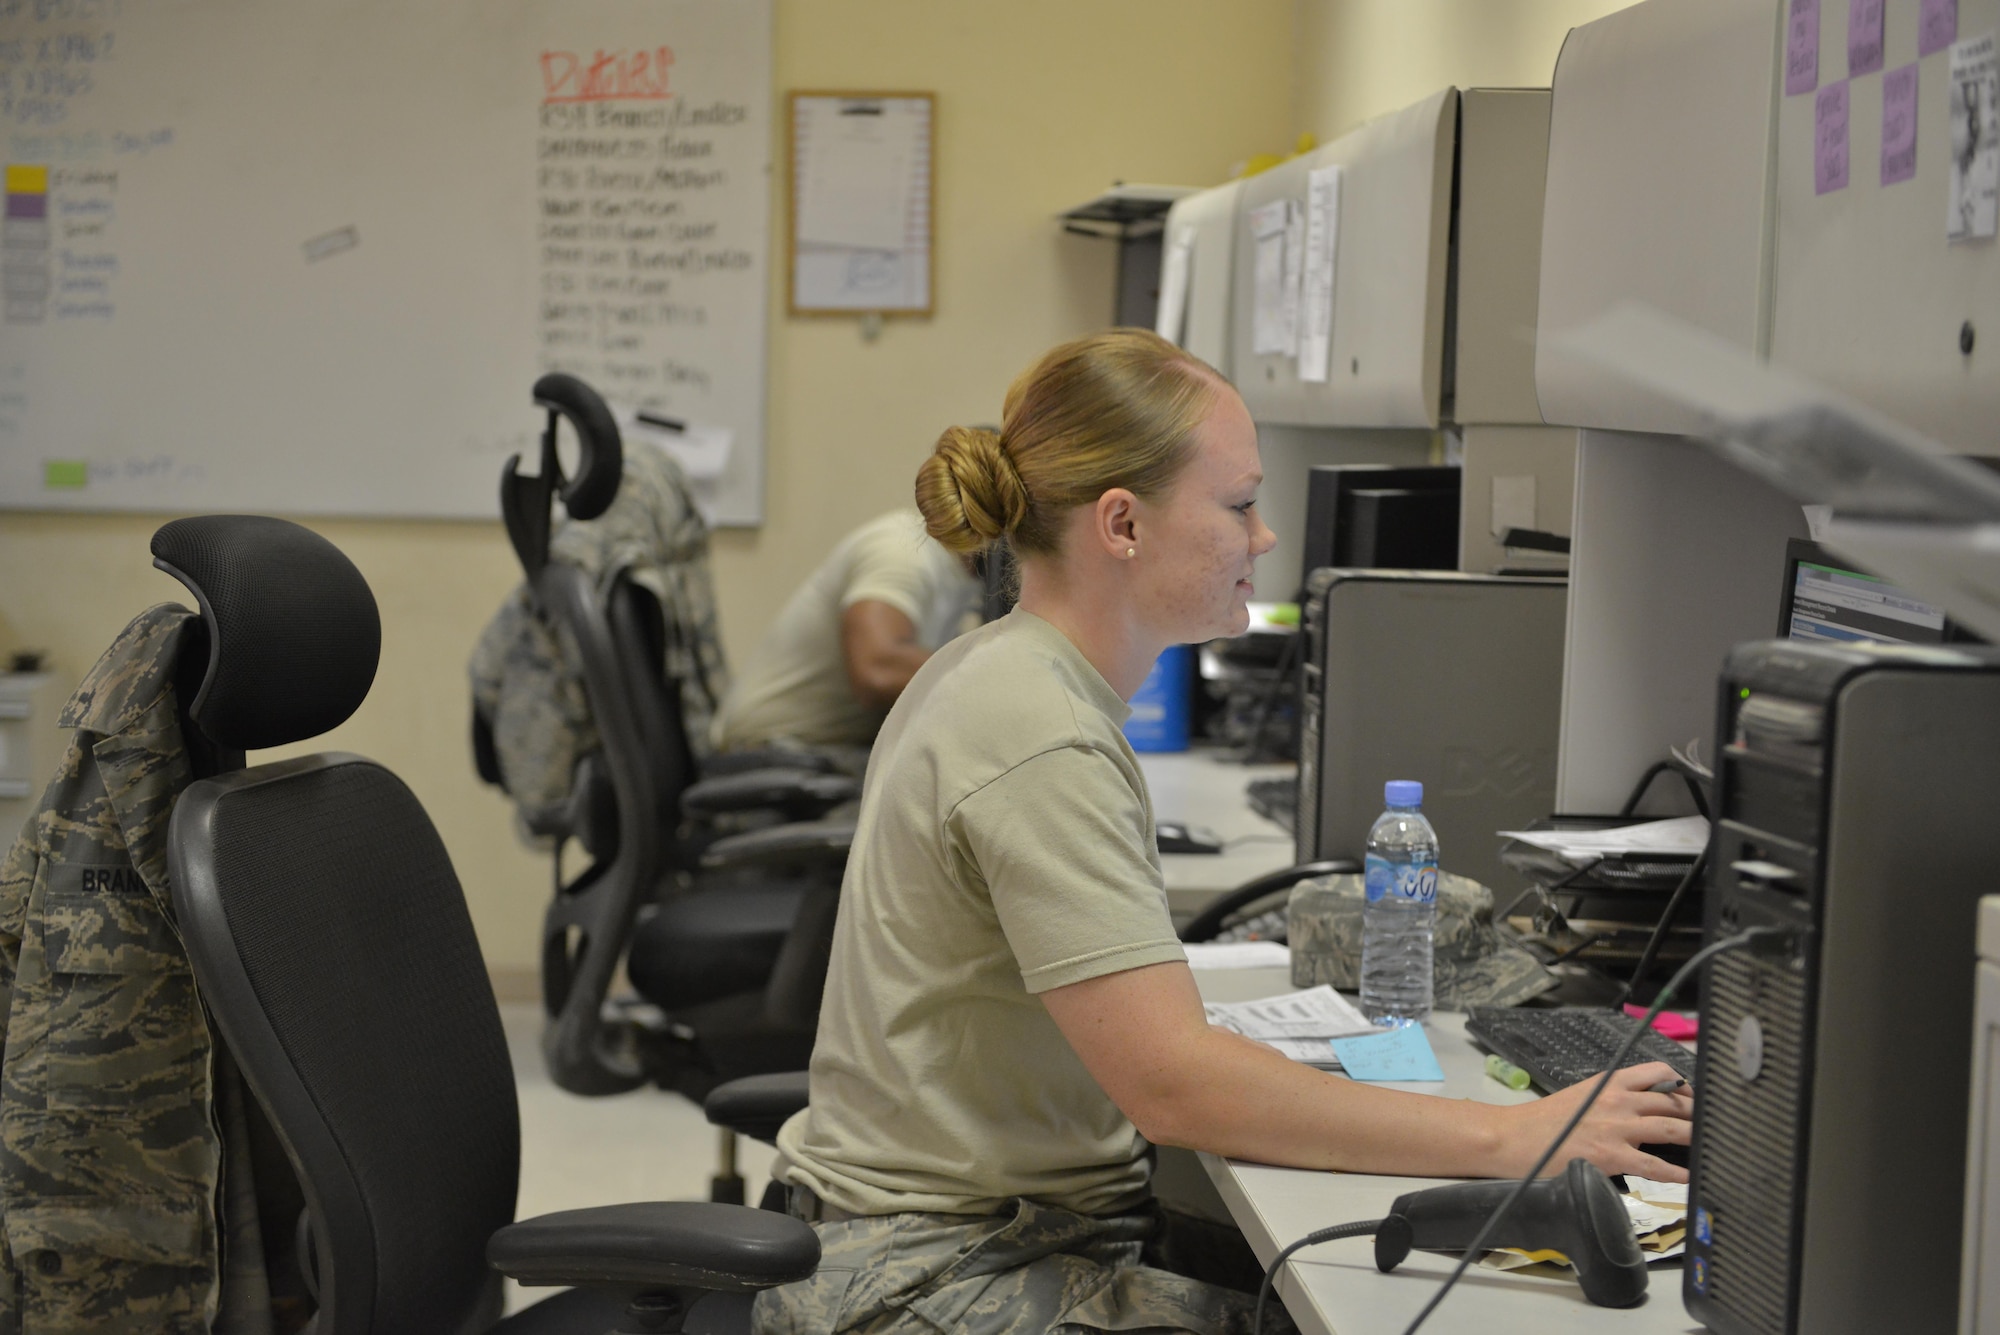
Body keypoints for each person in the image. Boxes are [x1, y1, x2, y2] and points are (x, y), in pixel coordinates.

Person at [754, 329, 1692, 1335]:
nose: (1263, 538)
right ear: (1120, 524)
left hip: (976, 1230)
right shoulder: (1038, 730)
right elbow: (1172, 1086)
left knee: (1342, 1276)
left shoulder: (1001, 671)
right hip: (929, 1273)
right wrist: (1516, 1139)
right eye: (1239, 505)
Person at [711, 508, 982, 756]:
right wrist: (995, 673)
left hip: (828, 749)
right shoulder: (903, 548)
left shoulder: (966, 574)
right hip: (774, 753)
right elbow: (878, 668)